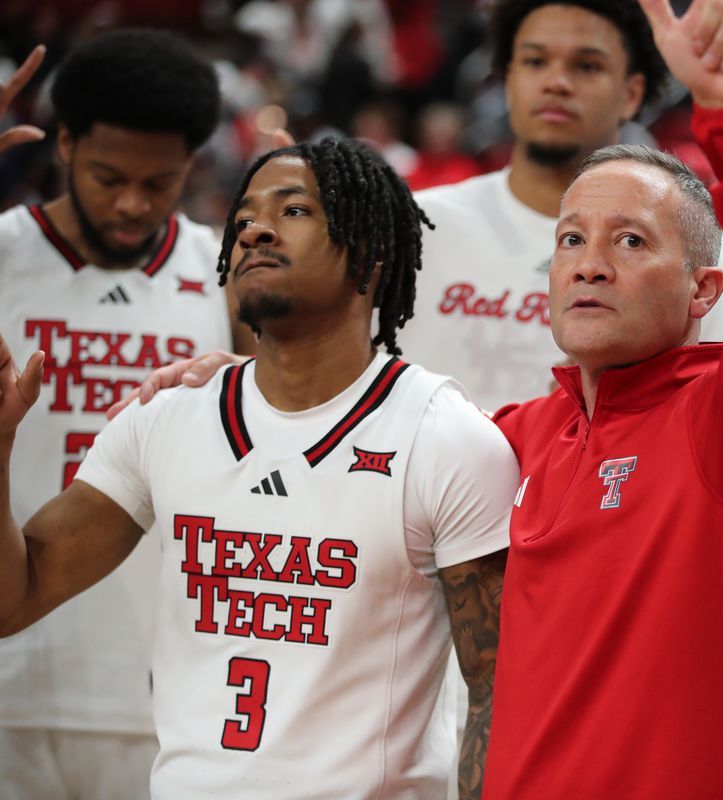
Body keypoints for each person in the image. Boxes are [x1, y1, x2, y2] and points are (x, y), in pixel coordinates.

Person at [0, 137, 519, 800]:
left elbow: (497, 686)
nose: (256, 230)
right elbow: (14, 600)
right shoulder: (167, 416)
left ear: (371, 250)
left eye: (294, 211)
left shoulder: (444, 437)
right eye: (244, 216)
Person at [481, 0, 723, 796]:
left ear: (704, 289)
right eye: (571, 239)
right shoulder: (517, 437)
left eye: (631, 240)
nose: (589, 264)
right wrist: (239, 375)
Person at [0, 30, 253, 800]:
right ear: (65, 143)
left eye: (161, 182)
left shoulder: (226, 273)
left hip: (162, 694)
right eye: (110, 177)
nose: (134, 204)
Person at [402, 0, 723, 413]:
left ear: (631, 93)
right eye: (535, 61)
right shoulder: (412, 227)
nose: (557, 82)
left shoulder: (698, 251)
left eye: (587, 66)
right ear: (508, 79)